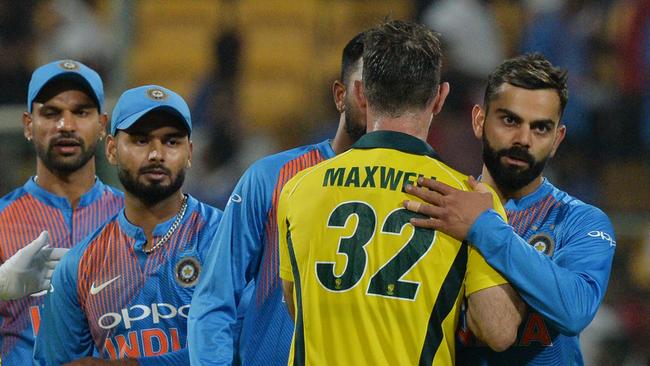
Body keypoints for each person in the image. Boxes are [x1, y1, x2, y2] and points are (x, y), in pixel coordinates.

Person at [277, 20, 524, 365]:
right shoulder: (467, 199)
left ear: (361, 94)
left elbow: (296, 304)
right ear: (440, 98)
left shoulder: (298, 188)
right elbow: (498, 331)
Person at [403, 53, 616, 365]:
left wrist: (484, 227)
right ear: (479, 120)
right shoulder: (440, 208)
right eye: (510, 120)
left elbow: (575, 310)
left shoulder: (579, 221)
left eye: (541, 128)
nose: (523, 139)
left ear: (557, 140)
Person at [187, 31, 368, 365]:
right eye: (367, 89)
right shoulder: (269, 178)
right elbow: (214, 299)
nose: (379, 104)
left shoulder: (426, 190)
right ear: (341, 96)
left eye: (392, 92)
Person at [33, 85, 223, 365]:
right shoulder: (79, 265)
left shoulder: (225, 238)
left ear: (190, 153)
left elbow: (243, 345)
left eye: (172, 142)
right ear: (111, 150)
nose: (157, 154)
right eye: (140, 140)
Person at [0, 59, 123, 365]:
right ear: (29, 125)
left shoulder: (135, 219)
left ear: (101, 125)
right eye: (51, 113)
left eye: (81, 112)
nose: (66, 125)